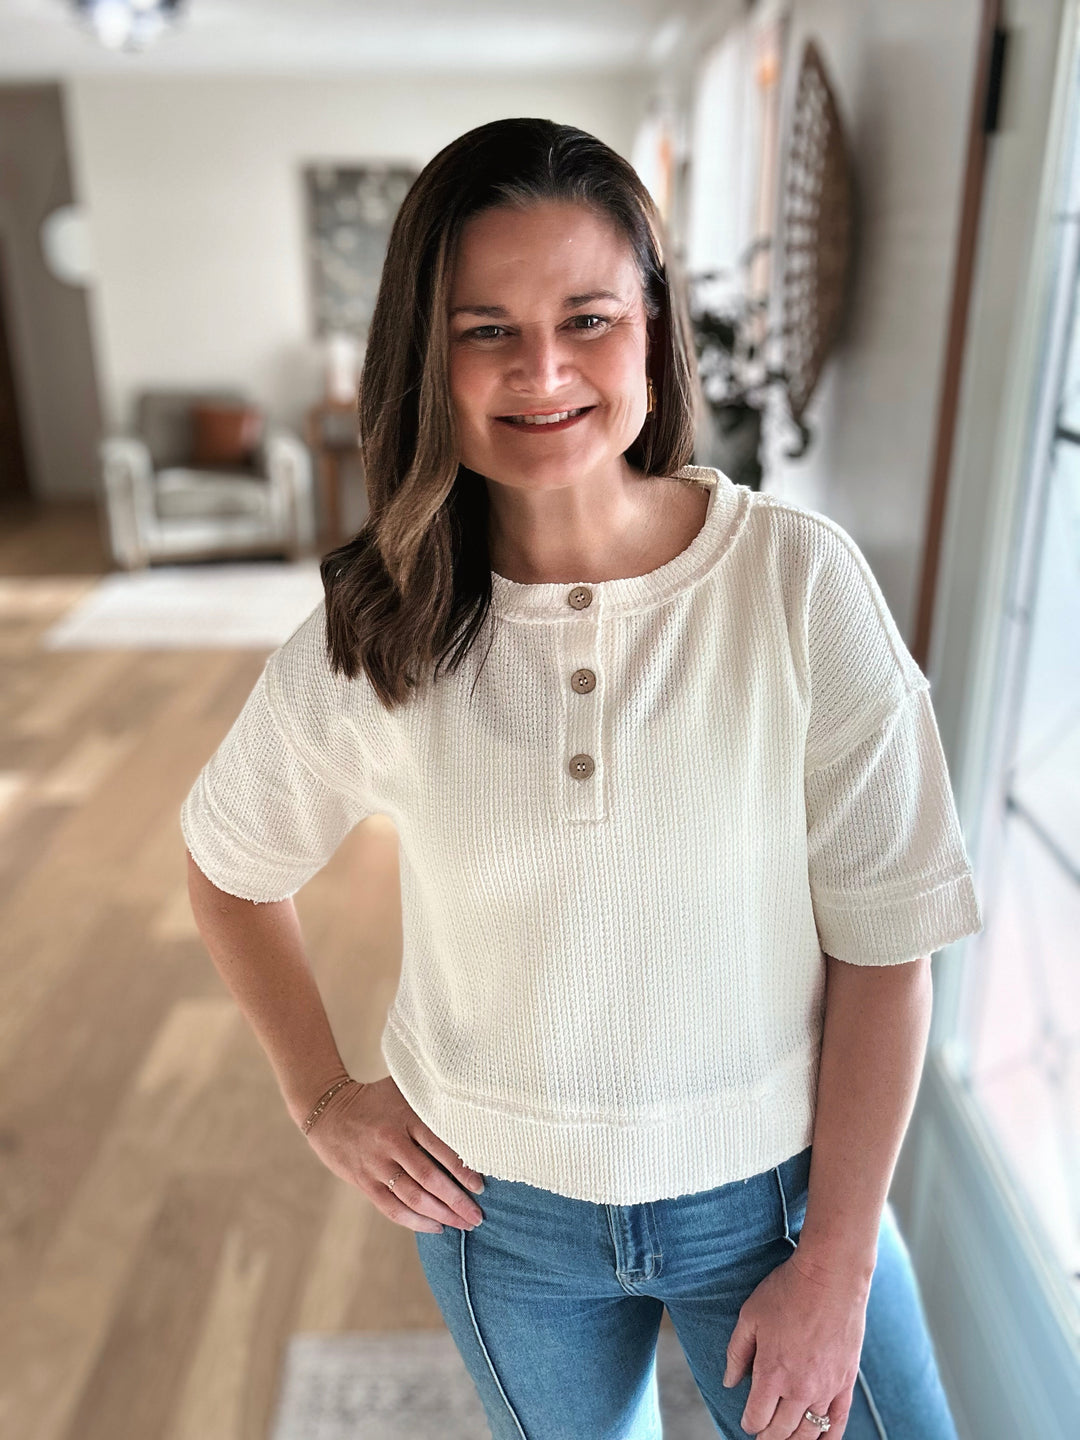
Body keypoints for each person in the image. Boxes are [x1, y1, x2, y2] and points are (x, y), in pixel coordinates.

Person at [182, 117, 983, 1440]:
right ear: (424, 359)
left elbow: (891, 948)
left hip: (780, 1201)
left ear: (655, 336)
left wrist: (836, 1263)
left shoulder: (794, 583)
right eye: (483, 327)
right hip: (504, 1223)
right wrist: (321, 1096)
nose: (541, 368)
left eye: (589, 317)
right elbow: (228, 866)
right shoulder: (377, 621)